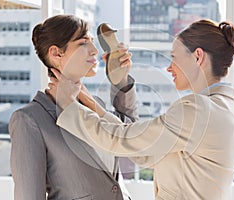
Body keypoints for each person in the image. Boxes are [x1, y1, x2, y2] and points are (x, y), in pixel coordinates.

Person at [48, 19, 234, 199]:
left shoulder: (198, 111)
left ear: (198, 56)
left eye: (174, 58)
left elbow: (122, 139)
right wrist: (91, 104)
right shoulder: (227, 109)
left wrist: (68, 105)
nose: (169, 68)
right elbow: (142, 150)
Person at [9, 14, 138, 200]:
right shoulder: (30, 119)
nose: (95, 50)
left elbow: (130, 135)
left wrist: (122, 80)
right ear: (56, 53)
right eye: (84, 43)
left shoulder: (92, 105)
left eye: (93, 41)